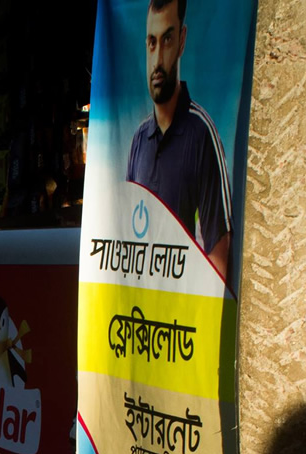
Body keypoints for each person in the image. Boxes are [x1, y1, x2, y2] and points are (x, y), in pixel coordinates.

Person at [126, 0, 231, 279]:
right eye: (151, 42)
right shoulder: (139, 140)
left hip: (180, 314)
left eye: (167, 40)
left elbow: (219, 251)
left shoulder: (201, 133)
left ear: (182, 41)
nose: (158, 59)